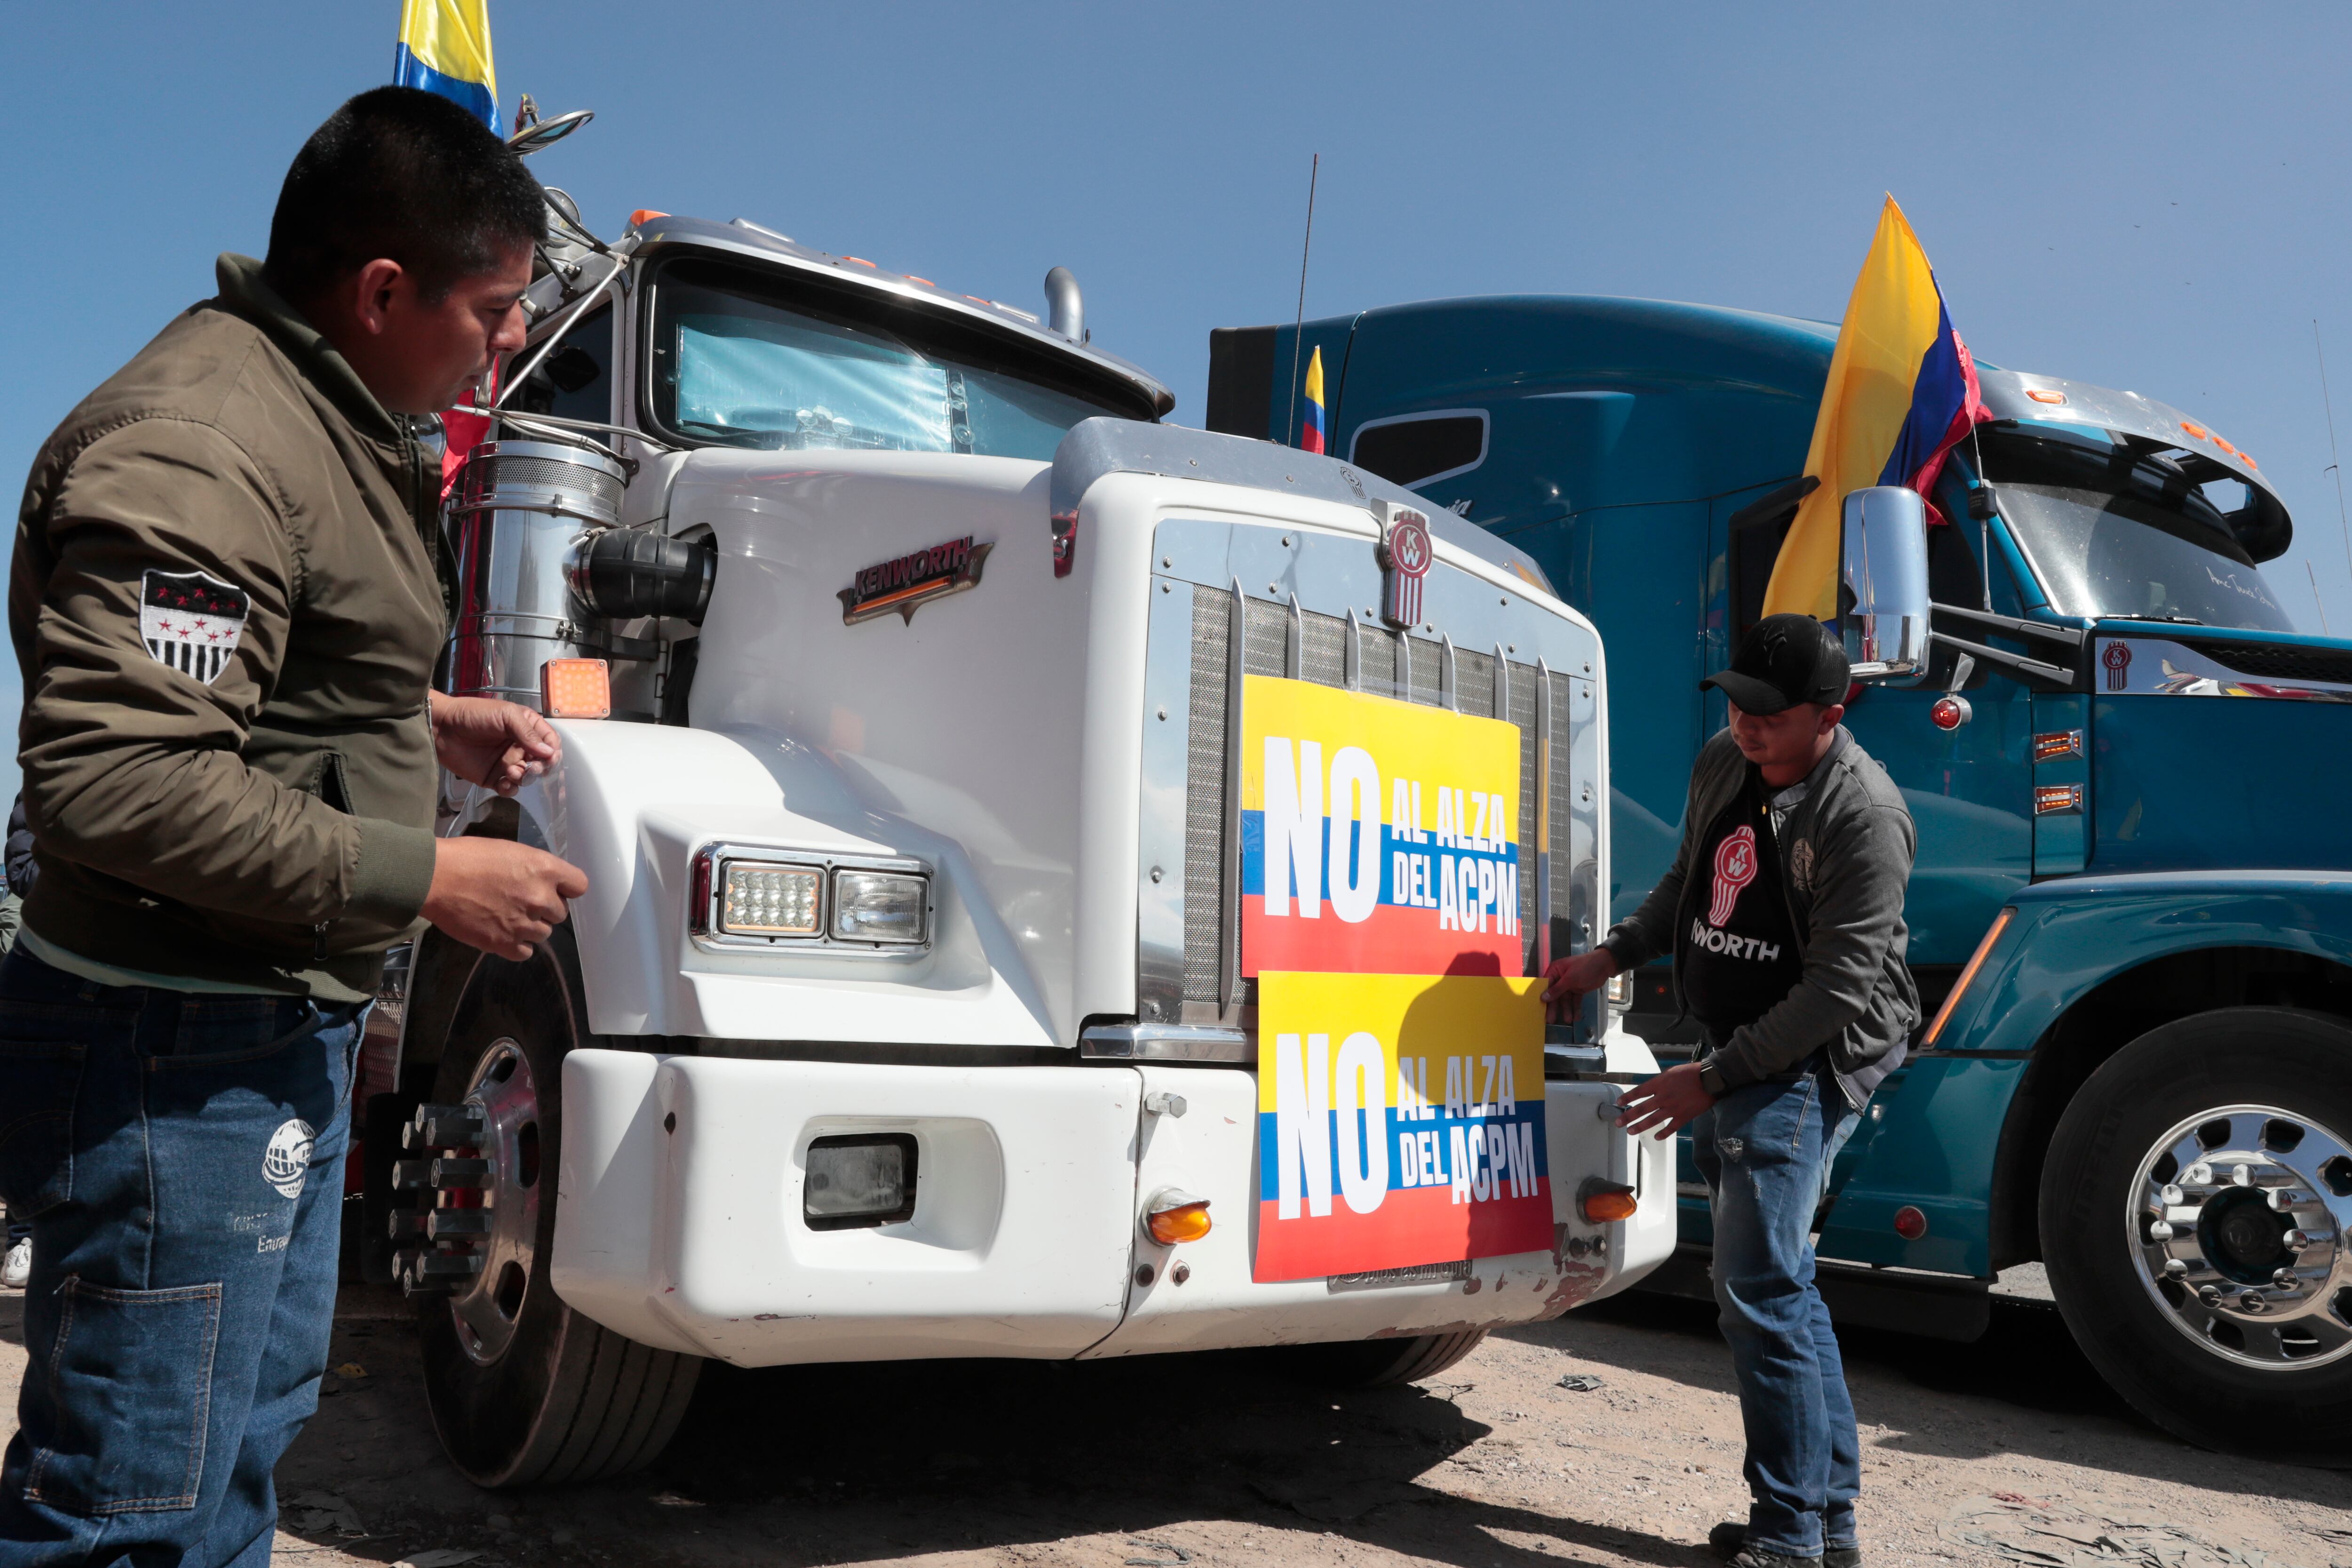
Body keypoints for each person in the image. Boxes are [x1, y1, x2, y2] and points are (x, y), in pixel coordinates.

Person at [0, 87, 589, 1565]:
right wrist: (428, 871)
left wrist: (415, 720)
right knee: (132, 1503)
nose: (513, 340)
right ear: (382, 292)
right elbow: (118, 779)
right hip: (170, 1046)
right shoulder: (203, 445)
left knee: (231, 1458)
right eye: (495, 308)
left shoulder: (324, 416)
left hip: (258, 1025)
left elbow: (274, 675)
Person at [1544, 613, 1917, 1568]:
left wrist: (1710, 1080)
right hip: (1738, 1044)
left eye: (1769, 712)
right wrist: (1611, 954)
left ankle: (1789, 1534)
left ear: (1830, 714)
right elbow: (1689, 879)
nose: (1746, 724)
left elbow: (1836, 992)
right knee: (1778, 1282)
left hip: (1811, 1057)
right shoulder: (1727, 760)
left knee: (1756, 1287)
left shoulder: (1864, 817)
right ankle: (1824, 1527)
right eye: (1737, 703)